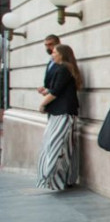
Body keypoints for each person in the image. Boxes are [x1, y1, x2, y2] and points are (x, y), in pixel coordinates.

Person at [36, 43, 81, 190]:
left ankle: (51, 178)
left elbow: (56, 92)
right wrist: (46, 91)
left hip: (63, 114)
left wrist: (42, 104)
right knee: (64, 147)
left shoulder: (63, 69)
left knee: (56, 146)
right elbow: (56, 89)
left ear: (62, 54)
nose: (52, 54)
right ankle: (64, 180)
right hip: (62, 113)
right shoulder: (64, 69)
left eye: (55, 52)